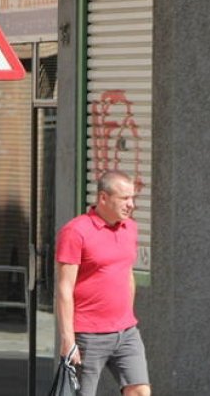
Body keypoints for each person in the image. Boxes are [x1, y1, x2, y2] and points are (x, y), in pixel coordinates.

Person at [55, 169, 151, 396]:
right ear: (103, 198)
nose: (131, 205)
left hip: (126, 331)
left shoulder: (130, 228)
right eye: (124, 198)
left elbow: (127, 274)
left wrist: (127, 314)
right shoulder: (76, 231)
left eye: (132, 198)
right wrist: (68, 339)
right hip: (88, 334)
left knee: (140, 391)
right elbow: (64, 289)